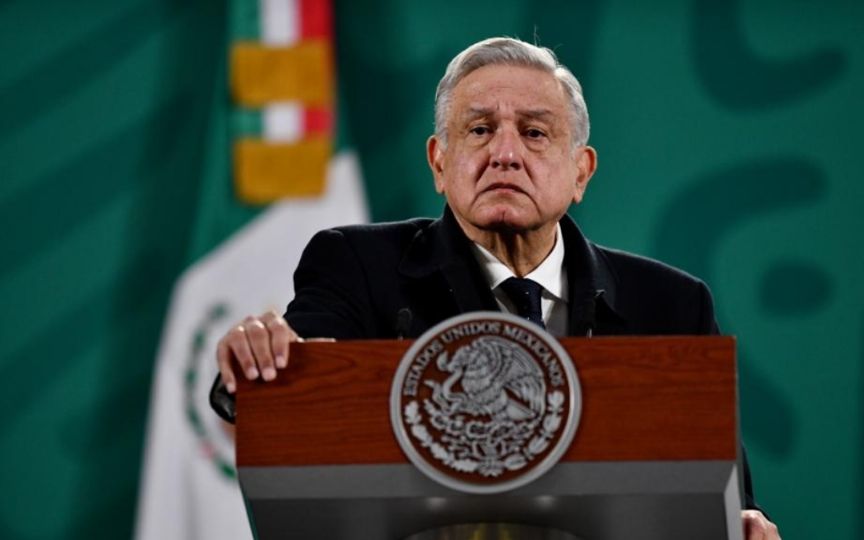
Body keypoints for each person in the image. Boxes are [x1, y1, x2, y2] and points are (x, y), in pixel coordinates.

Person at [211, 37, 781, 539]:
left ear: (581, 171)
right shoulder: (356, 265)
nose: (504, 154)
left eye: (534, 133)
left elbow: (726, 496)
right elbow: (301, 369)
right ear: (440, 162)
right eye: (480, 130)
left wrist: (747, 524)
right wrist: (263, 365)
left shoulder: (672, 305)